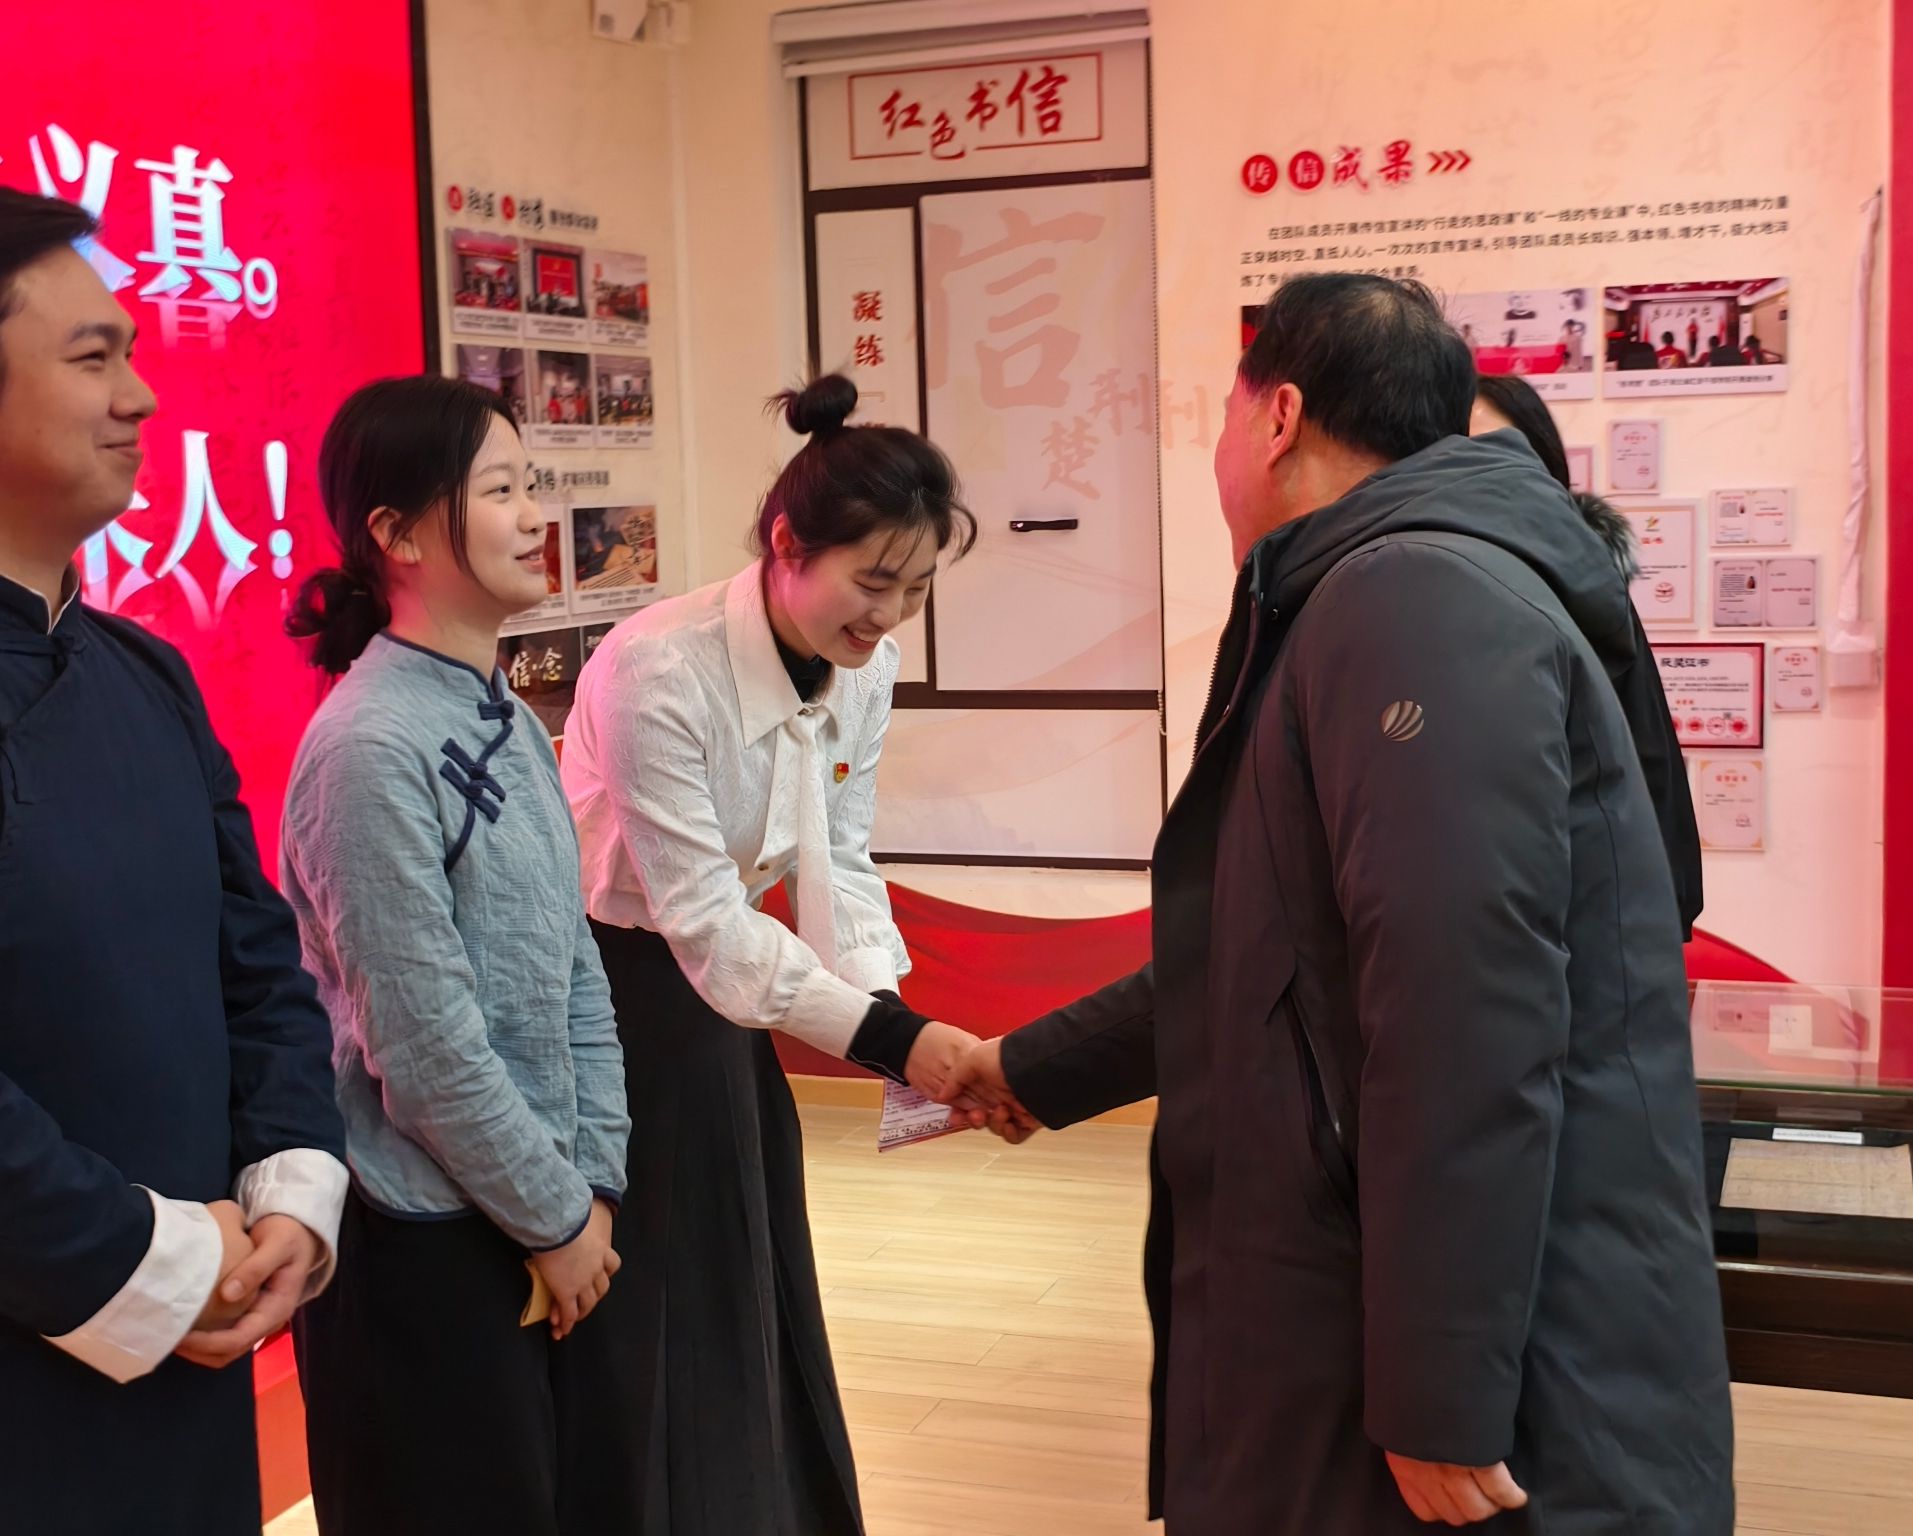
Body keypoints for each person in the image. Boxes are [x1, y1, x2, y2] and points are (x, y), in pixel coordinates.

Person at [947, 273, 1735, 1533]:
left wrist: (1439, 1389)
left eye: (1222, 416)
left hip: (1488, 1349)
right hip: (1375, 1291)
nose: (1217, 452)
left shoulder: (1409, 598)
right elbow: (1271, 957)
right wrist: (1030, 1068)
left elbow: (1458, 1014)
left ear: (1277, 419)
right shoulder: (1384, 590)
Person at [556, 373, 987, 1535]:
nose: (890, 615)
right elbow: (700, 920)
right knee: (662, 1283)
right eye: (873, 581)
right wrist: (897, 1038)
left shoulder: (864, 666)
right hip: (613, 990)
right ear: (787, 546)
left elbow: (837, 854)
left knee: (754, 1266)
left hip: (729, 989)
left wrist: (892, 1024)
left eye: (916, 587)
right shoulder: (658, 670)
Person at [0, 188, 347, 1534]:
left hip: (201, 1329)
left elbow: (257, 961)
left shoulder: (147, 672)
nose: (140, 397)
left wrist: (290, 1194)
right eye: (93, 358)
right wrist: (145, 1261)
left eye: (133, 353)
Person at [278, 376, 630, 1535]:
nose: (535, 516)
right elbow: (423, 1047)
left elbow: (576, 969)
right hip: (423, 1242)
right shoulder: (366, 745)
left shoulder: (504, 713)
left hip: (541, 1221)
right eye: (500, 490)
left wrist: (592, 1191)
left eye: (532, 485)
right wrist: (556, 1220)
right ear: (395, 533)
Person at [1471, 372, 1703, 939]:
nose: (1473, 473)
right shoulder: (1418, 587)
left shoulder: (1585, 587)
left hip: (1582, 920)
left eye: (1498, 453)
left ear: (1545, 470)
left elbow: (1650, 762)